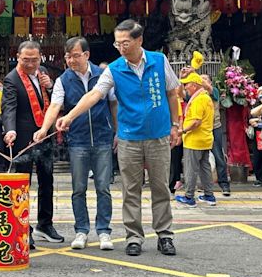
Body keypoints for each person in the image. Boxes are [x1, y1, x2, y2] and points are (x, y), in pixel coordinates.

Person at [56, 19, 180, 257]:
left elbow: (172, 93)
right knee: (130, 190)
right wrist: (70, 116)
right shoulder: (114, 68)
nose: (121, 47)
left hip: (158, 135)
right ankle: (134, 237)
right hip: (129, 138)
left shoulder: (159, 60)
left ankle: (164, 235)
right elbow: (94, 95)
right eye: (117, 43)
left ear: (139, 40)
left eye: (125, 42)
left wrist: (176, 124)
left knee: (160, 187)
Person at [34, 37, 116, 251]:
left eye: (76, 55)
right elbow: (54, 106)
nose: (71, 60)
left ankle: (104, 231)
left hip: (103, 137)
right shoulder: (63, 79)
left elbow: (113, 104)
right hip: (78, 139)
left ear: (87, 55)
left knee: (103, 188)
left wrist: (116, 131)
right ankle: (81, 230)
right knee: (78, 188)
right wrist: (44, 129)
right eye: (68, 56)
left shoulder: (103, 75)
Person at [2, 40, 64, 249]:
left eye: (34, 60)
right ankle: (23, 229)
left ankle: (45, 224)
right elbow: (8, 107)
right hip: (23, 139)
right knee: (23, 186)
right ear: (18, 57)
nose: (30, 64)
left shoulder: (43, 72)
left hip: (44, 135)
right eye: (26, 60)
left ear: (40, 58)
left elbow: (55, 99)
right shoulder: (12, 79)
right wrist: (10, 130)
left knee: (47, 181)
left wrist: (51, 85)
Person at [175, 73, 216, 207]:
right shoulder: (205, 97)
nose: (185, 87)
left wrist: (182, 131)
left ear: (194, 85)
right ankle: (209, 195)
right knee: (205, 168)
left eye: (187, 84)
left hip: (194, 139)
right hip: (205, 138)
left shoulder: (198, 100)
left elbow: (196, 121)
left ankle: (189, 197)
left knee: (190, 169)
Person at [201, 74, 231, 196]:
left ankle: (224, 184)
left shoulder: (215, 92)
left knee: (218, 155)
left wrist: (203, 83)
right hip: (199, 130)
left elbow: (211, 90)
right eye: (200, 78)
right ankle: (204, 185)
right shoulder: (195, 93)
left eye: (205, 79)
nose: (202, 81)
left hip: (214, 128)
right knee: (200, 158)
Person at [249, 86, 262, 186]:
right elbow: (250, 119)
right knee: (258, 157)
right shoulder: (254, 105)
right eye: (261, 92)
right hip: (257, 134)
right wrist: (255, 121)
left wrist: (257, 120)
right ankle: (259, 178)